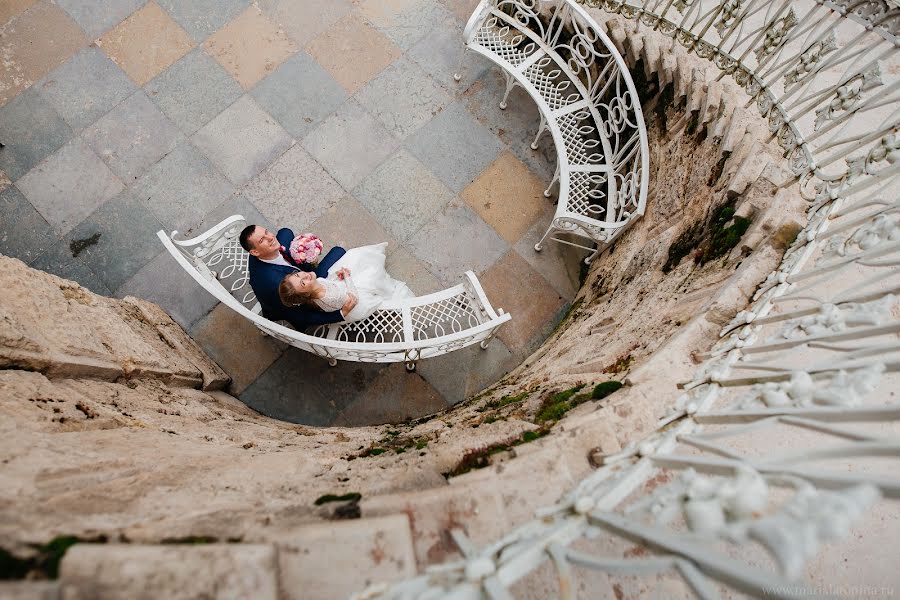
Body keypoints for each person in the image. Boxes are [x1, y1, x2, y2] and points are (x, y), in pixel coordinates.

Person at [240, 224, 356, 331]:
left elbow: (284, 234)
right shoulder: (275, 285)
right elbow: (300, 316)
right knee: (338, 251)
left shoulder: (264, 249)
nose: (270, 237)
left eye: (266, 232)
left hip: (300, 276)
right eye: (262, 240)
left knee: (285, 232)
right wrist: (339, 314)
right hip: (297, 293)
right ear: (254, 252)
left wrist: (305, 254)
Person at [278, 242, 414, 323]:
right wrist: (347, 277)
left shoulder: (315, 289)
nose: (304, 276)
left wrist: (339, 277)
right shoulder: (330, 297)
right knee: (370, 274)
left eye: (297, 274)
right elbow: (353, 297)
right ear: (305, 294)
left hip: (338, 287)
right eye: (302, 283)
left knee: (354, 255)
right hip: (353, 296)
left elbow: (327, 284)